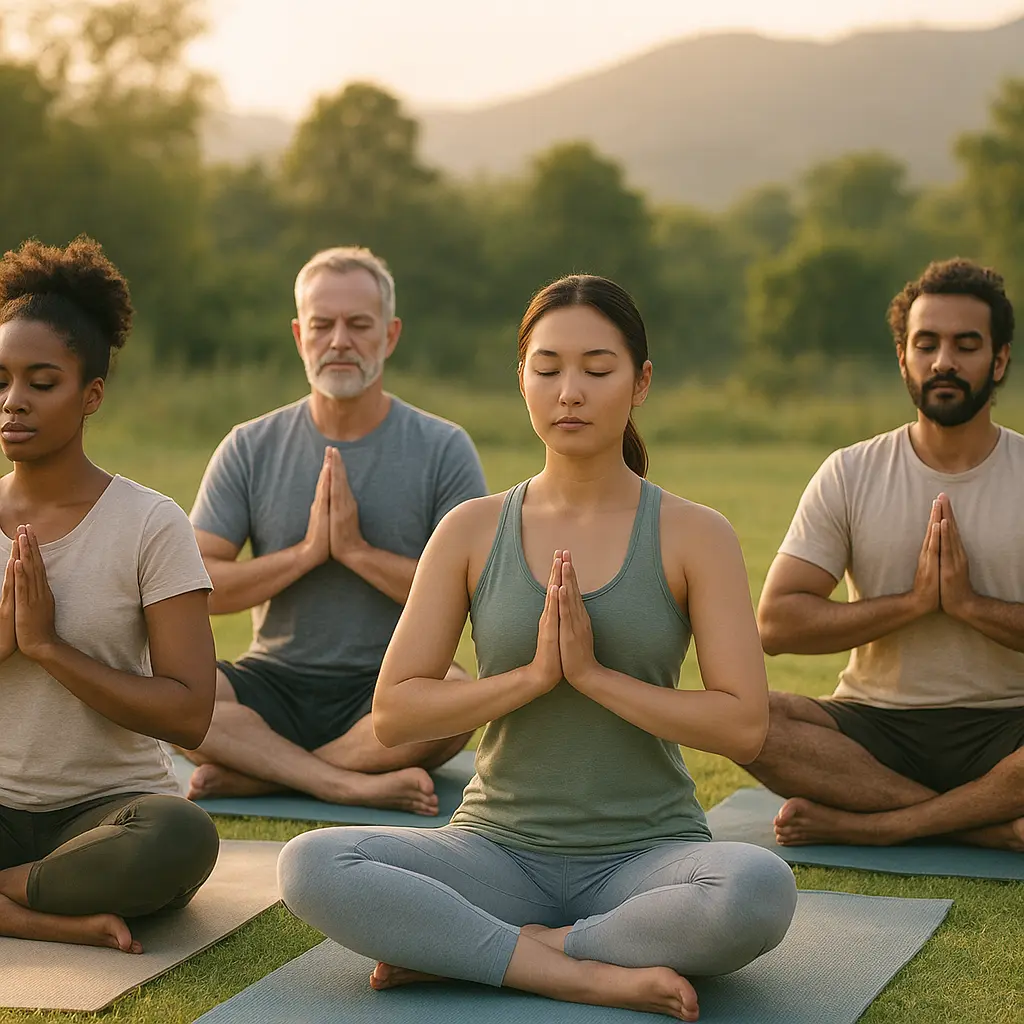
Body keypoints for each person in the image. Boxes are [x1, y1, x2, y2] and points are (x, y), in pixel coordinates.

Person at [278, 275, 797, 1022]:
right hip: (494, 850)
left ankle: (497, 949)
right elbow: (395, 713)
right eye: (547, 367)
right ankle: (579, 970)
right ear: (521, 378)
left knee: (756, 888)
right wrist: (529, 680)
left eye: (597, 367)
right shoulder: (471, 530)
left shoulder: (695, 534)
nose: (570, 392)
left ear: (640, 381)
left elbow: (743, 724)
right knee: (312, 864)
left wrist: (590, 677)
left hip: (648, 856)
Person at [184, 247, 486, 815]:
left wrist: (355, 552)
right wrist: (304, 555)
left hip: (390, 683)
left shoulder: (443, 448)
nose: (339, 340)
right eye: (323, 325)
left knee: (456, 695)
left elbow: (471, 592)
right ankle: (343, 781)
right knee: (175, 688)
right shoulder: (250, 446)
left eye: (359, 324)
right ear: (300, 335)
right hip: (273, 678)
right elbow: (200, 588)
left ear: (390, 336)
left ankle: (267, 772)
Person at [747, 258, 1024, 852]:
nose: (944, 361)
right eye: (926, 344)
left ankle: (881, 824)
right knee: (744, 715)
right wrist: (917, 603)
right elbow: (776, 625)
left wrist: (970, 606)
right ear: (903, 356)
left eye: (966, 345)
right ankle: (982, 825)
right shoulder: (851, 472)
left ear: (998, 359)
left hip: (1010, 724)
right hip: (875, 726)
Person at [0, 237, 220, 954]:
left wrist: (49, 650)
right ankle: (30, 910)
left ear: (90, 394)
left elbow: (189, 714)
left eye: (41, 381)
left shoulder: (149, 523)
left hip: (106, 814)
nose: (12, 401)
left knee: (181, 836)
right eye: (0, 379)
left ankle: (18, 888)